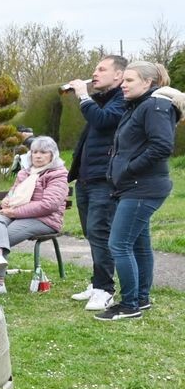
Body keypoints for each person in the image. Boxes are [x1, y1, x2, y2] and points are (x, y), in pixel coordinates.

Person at [96, 61, 184, 320]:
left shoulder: (156, 106)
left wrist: (128, 170)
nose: (123, 85)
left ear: (148, 83)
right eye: (123, 80)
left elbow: (161, 146)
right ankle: (141, 299)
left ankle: (130, 304)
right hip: (133, 186)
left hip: (142, 187)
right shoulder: (138, 106)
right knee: (138, 244)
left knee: (119, 244)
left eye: (129, 80)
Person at [65, 55, 128, 310]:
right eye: (95, 69)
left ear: (118, 75)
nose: (95, 73)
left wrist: (83, 95)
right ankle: (97, 282)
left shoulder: (123, 99)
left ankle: (105, 289)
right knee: (92, 233)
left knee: (100, 233)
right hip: (87, 179)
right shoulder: (103, 100)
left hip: (105, 179)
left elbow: (104, 121)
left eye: (102, 69)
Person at [0, 137, 71, 297]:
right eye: (34, 152)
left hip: (45, 219)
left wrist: (15, 213)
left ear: (52, 155)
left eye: (43, 152)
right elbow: (13, 193)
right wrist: (5, 202)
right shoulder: (25, 172)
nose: (38, 156)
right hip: (18, 214)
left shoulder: (58, 174)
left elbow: (49, 205)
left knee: (3, 235)